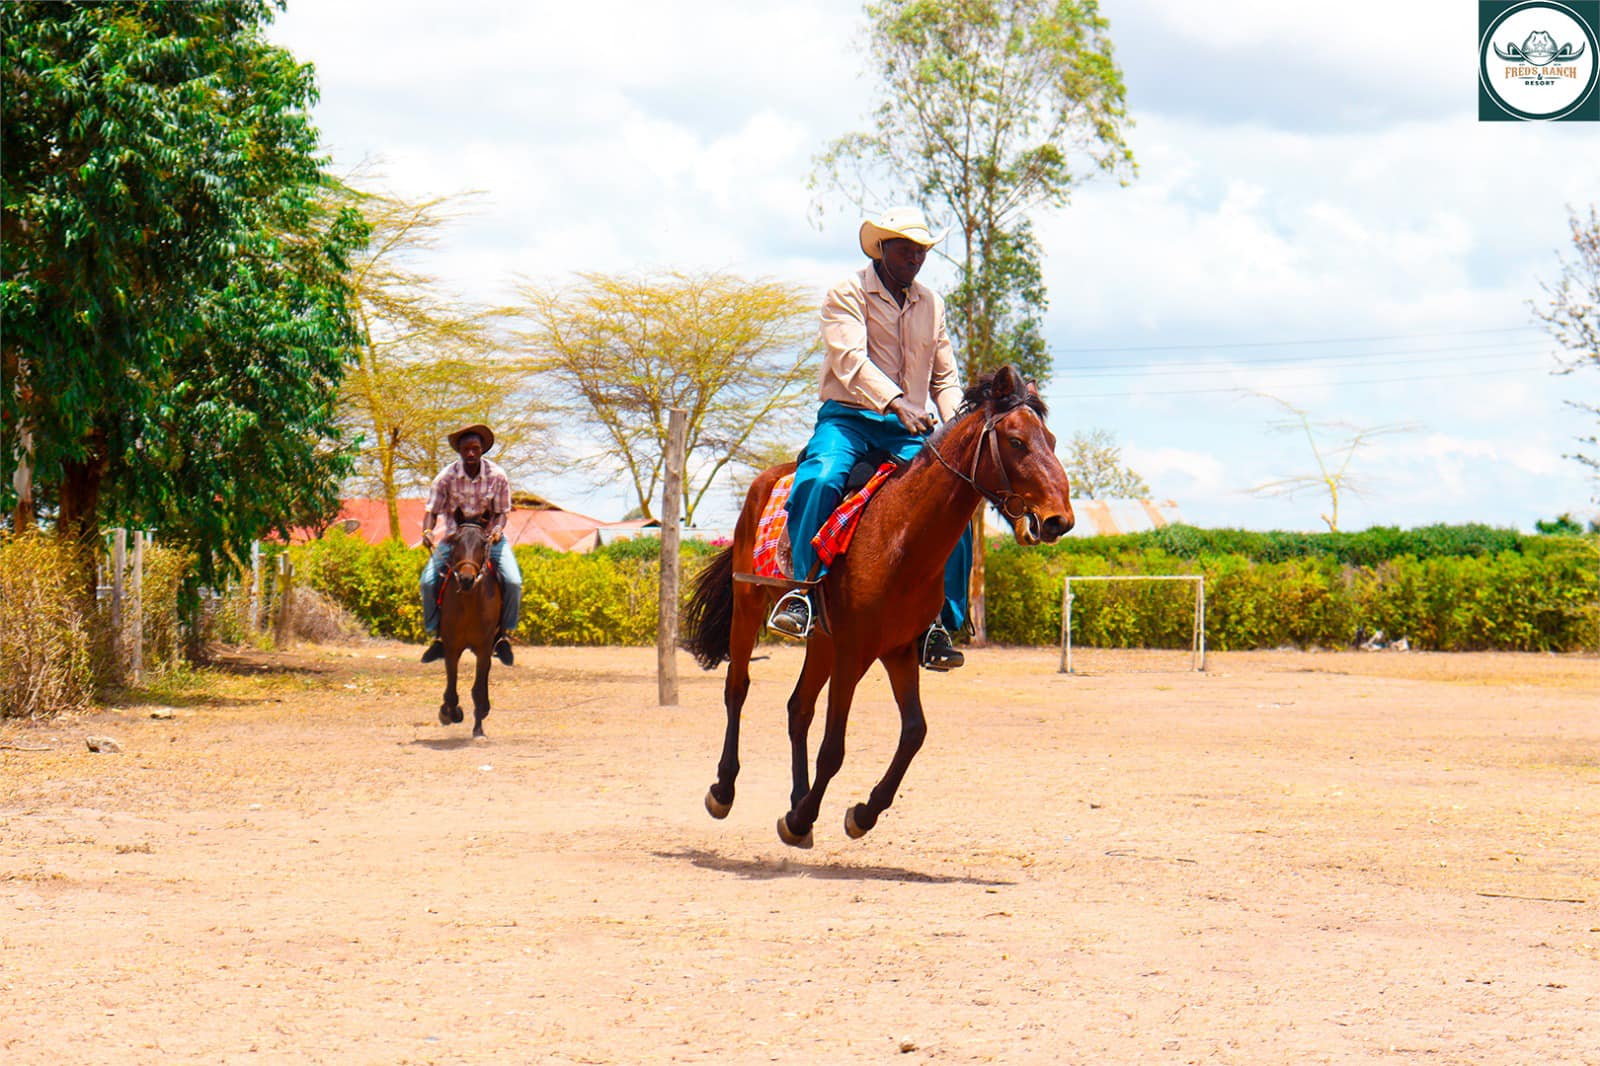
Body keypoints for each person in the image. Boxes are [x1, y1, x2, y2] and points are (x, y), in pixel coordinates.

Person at [770, 206, 973, 670]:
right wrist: (897, 401)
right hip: (849, 420)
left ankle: (942, 623)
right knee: (819, 479)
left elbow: (945, 379)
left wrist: (956, 425)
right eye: (906, 249)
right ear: (882, 248)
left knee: (954, 500)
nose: (916, 258)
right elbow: (850, 362)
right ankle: (803, 595)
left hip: (910, 429)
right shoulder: (846, 294)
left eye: (922, 250)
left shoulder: (933, 304)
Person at [418, 423, 522, 666]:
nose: (471, 454)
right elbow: (431, 510)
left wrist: (497, 530)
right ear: (459, 451)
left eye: (475, 448)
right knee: (427, 581)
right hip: (456, 540)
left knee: (513, 581)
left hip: (489, 539)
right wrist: (427, 531)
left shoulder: (498, 476)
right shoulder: (446, 477)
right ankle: (438, 636)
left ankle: (503, 635)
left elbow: (502, 513)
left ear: (483, 449)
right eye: (466, 449)